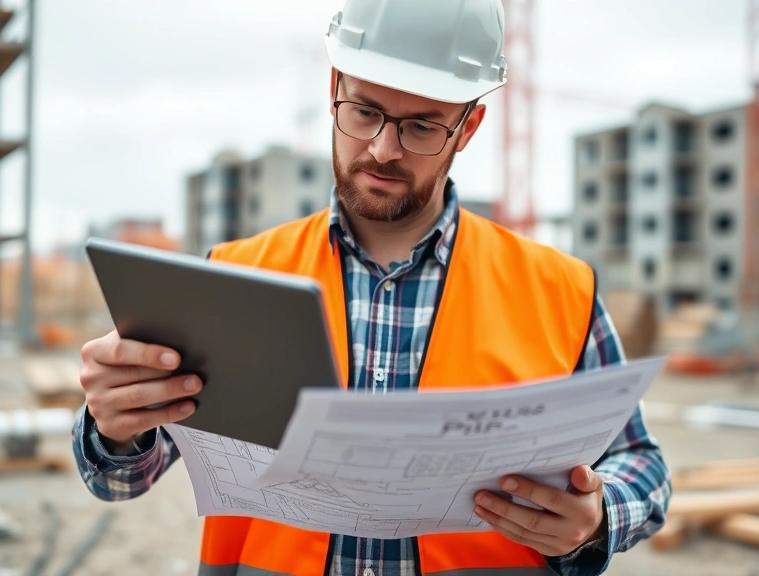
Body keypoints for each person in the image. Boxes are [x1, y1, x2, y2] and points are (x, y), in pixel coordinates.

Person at [71, 1, 671, 575]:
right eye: (364, 112)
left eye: (420, 126)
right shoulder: (236, 274)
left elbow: (643, 463)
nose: (384, 149)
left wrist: (595, 517)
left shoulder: (558, 291)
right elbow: (121, 479)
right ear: (334, 85)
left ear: (469, 126)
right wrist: (113, 426)